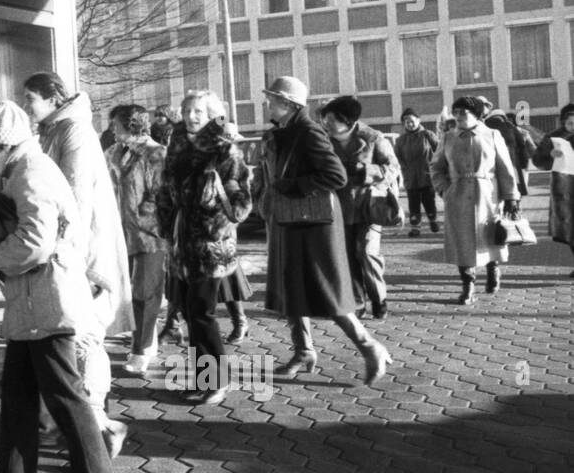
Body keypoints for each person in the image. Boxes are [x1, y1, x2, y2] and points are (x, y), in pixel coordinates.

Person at [0, 101, 118, 473]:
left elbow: (35, 243)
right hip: (36, 304)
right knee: (18, 398)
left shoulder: (29, 174)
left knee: (64, 398)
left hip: (45, 305)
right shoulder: (28, 169)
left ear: (3, 146)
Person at [253, 77, 392, 385]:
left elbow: (336, 175)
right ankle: (303, 350)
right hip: (290, 221)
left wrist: (294, 187)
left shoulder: (308, 131)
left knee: (327, 291)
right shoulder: (283, 132)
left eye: (272, 100)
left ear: (288, 104)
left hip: (313, 225)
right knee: (293, 287)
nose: (267, 104)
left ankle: (371, 347)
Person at [23, 72, 131, 455]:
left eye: (31, 98)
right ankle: (70, 422)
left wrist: (70, 258)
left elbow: (76, 200)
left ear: (53, 98)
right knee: (69, 338)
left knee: (83, 337)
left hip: (83, 252)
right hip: (72, 250)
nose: (27, 107)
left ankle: (98, 424)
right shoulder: (57, 129)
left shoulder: (73, 132)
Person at [155, 91, 253, 405]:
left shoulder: (225, 148)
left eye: (198, 111)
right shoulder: (178, 142)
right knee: (189, 311)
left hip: (210, 243)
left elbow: (240, 205)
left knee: (202, 313)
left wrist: (215, 201)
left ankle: (217, 382)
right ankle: (202, 378)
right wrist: (166, 222)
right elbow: (166, 187)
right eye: (186, 110)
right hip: (181, 240)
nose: (191, 116)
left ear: (212, 114)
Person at [429, 96, 520, 304]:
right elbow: (436, 167)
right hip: (457, 197)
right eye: (456, 112)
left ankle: (493, 269)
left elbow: (505, 168)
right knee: (462, 242)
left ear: (477, 114)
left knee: (489, 237)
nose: (459, 116)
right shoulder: (448, 137)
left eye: (464, 112)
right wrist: (444, 190)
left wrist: (511, 197)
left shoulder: (492, 134)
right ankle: (468, 285)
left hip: (488, 195)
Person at [321, 96, 399, 321]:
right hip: (338, 208)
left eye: (330, 119)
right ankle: (357, 301)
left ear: (345, 120)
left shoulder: (373, 138)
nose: (326, 123)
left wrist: (366, 170)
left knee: (366, 252)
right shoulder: (324, 140)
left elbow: (393, 168)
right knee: (346, 256)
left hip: (369, 206)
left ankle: (379, 298)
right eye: (325, 119)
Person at [105, 105, 167, 374]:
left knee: (145, 292)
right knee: (128, 293)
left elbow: (161, 194)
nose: (112, 129)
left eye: (115, 124)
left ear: (131, 124)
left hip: (148, 235)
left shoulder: (155, 153)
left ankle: (140, 349)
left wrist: (144, 220)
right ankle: (146, 340)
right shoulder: (113, 152)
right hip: (120, 233)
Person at [532, 103, 574, 277]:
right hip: (564, 188)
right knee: (569, 227)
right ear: (563, 121)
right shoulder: (553, 138)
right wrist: (550, 156)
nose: (572, 125)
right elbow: (537, 160)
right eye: (570, 122)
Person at [394, 108, 439, 237]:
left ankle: (433, 220)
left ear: (418, 120)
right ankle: (415, 228)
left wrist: (436, 168)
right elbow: (398, 158)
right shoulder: (400, 141)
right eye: (406, 122)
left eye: (412, 121)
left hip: (427, 175)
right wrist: (404, 171)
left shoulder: (428, 135)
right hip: (410, 178)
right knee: (413, 204)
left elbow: (439, 152)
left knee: (429, 201)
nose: (410, 124)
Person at [480, 99, 531, 198]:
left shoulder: (485, 127)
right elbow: (521, 146)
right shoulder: (510, 127)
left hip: (492, 167)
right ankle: (515, 208)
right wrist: (524, 163)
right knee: (514, 191)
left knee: (494, 192)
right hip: (512, 164)